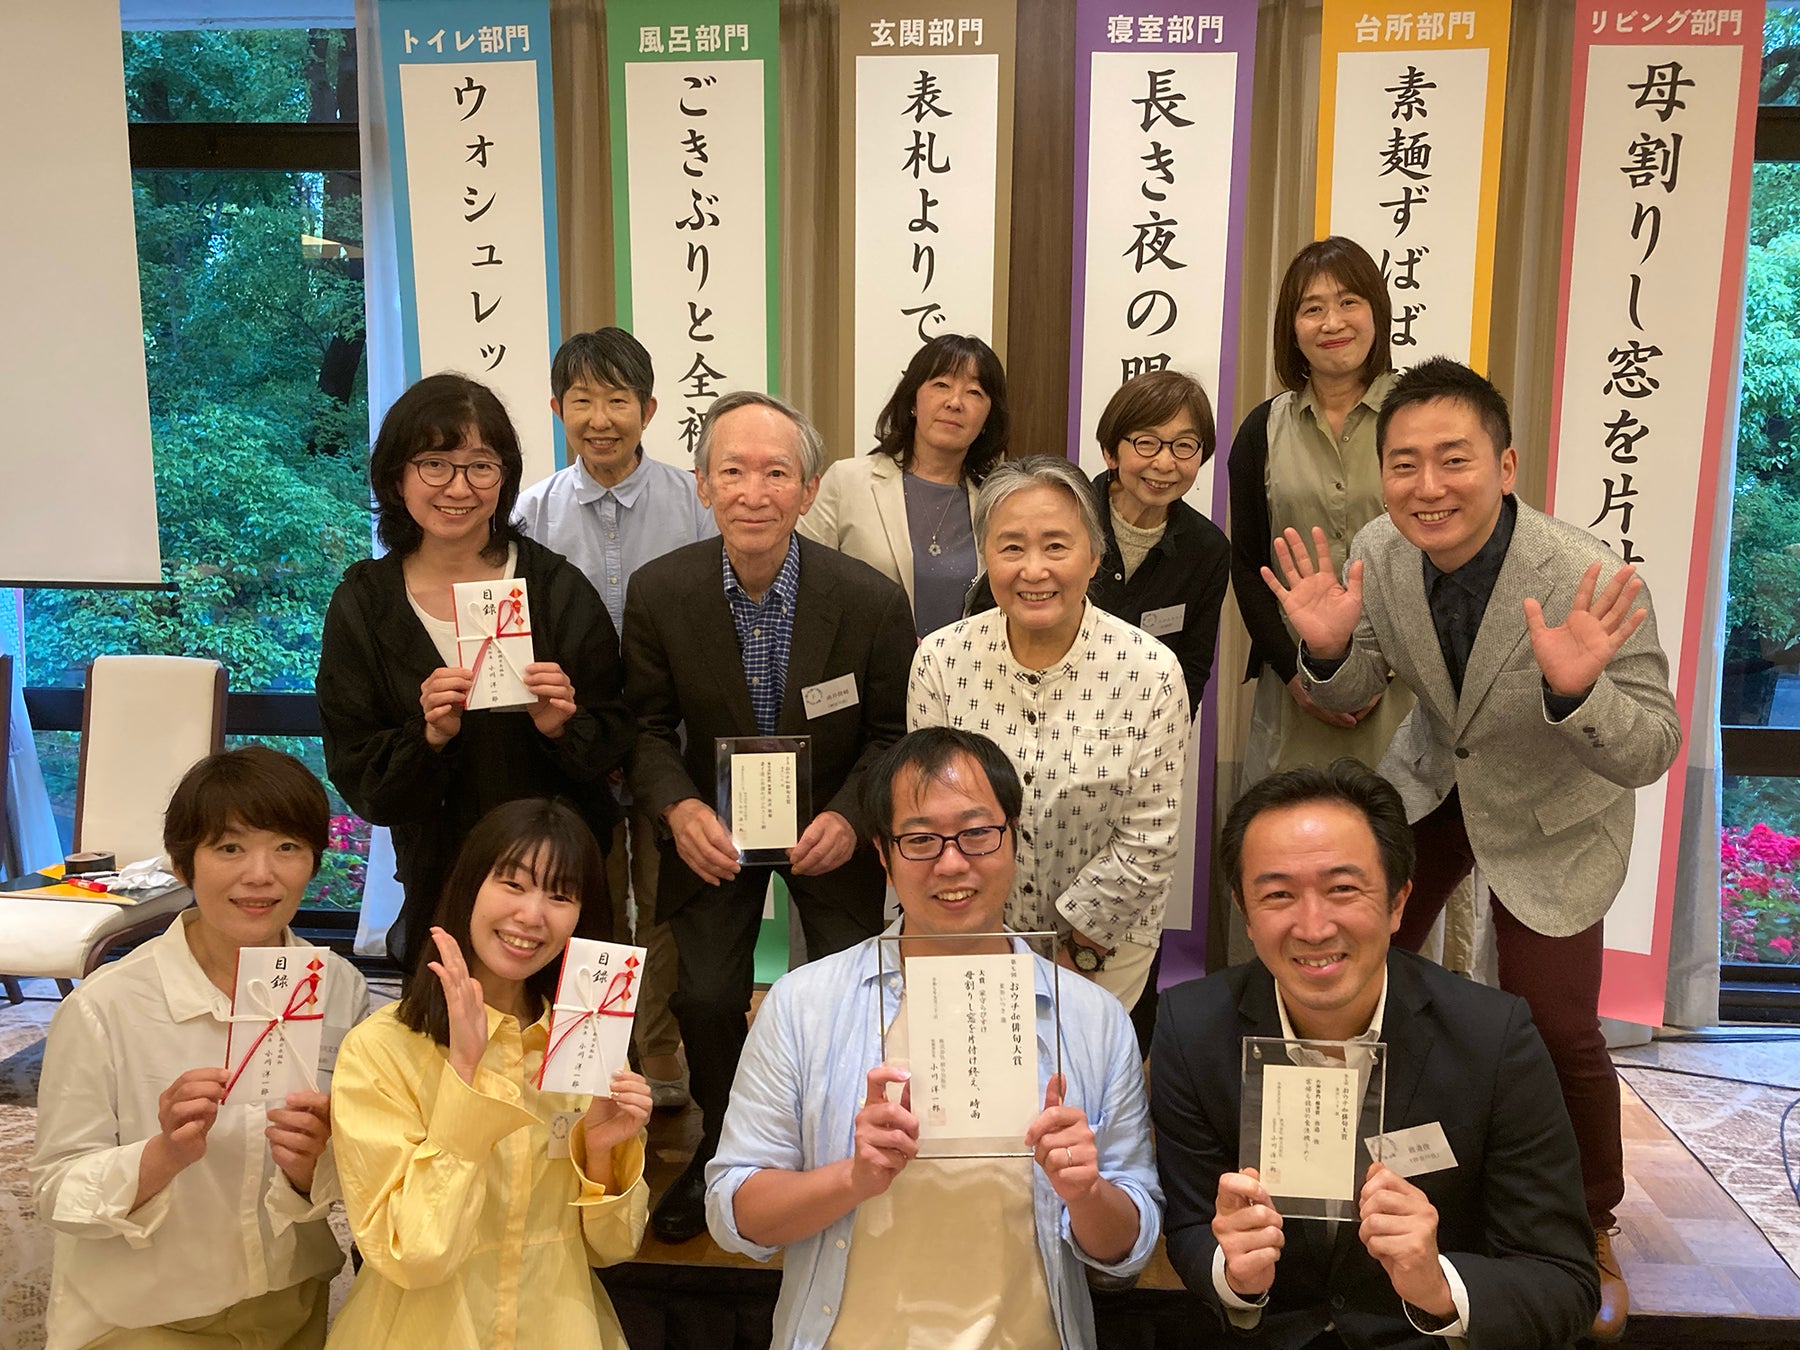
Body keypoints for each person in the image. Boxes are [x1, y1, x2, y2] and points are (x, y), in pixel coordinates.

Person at [1262, 357, 1681, 1341]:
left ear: (1505, 465)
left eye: (1454, 459)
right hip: (1436, 783)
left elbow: (1653, 745)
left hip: (1554, 808)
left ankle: (1588, 1222)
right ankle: (1339, 1177)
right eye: (1404, 463)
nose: (1428, 486)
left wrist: (1578, 691)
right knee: (1341, 978)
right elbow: (1353, 686)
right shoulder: (1380, 548)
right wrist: (1327, 651)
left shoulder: (1584, 573)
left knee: (1559, 1024)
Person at [706, 727, 1161, 1349]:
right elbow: (732, 1213)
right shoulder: (802, 1004)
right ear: (883, 854)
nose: (952, 863)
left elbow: (1129, 1246)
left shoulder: (1093, 1019)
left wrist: (1086, 1194)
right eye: (920, 839)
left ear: (1013, 838)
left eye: (977, 833)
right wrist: (852, 1178)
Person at [1151, 760, 1600, 1349]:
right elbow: (1190, 1224)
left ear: (1397, 902)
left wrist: (1438, 1284)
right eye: (1278, 894)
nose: (1313, 927)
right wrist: (1235, 1276)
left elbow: (1564, 1281)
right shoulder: (1191, 1028)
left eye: (1342, 889)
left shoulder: (1492, 1037)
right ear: (1246, 912)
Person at [622, 389, 916, 1244]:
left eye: (777, 473)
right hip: (715, 830)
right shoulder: (661, 591)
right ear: (703, 484)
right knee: (708, 998)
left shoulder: (868, 600)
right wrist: (678, 807)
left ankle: (837, 1151)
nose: (755, 493)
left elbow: (893, 733)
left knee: (856, 994)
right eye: (734, 472)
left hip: (830, 826)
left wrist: (853, 816)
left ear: (809, 488)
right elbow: (643, 728)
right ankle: (725, 1149)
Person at [30, 746, 369, 1350]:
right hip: (145, 1317)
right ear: (184, 864)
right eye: (230, 848)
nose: (260, 874)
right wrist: (162, 1154)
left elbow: (363, 1160)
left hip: (291, 1302)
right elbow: (56, 1190)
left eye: (287, 846)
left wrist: (309, 1169)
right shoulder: (106, 1007)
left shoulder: (338, 988)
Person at [317, 372, 636, 970]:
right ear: (397, 477)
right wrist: (428, 736)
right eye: (434, 464)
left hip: (559, 881)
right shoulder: (365, 603)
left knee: (563, 1028)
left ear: (505, 478)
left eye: (481, 466)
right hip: (439, 875)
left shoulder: (555, 588)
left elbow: (617, 739)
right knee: (446, 1024)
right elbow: (362, 776)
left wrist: (561, 726)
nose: (458, 487)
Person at [326, 798, 650, 1350]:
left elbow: (611, 1248)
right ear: (469, 886)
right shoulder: (380, 1050)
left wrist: (600, 1151)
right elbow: (414, 1253)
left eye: (560, 895)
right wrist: (464, 1073)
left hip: (558, 1330)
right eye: (513, 884)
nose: (532, 915)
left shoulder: (590, 1048)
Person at [514, 327, 717, 1110]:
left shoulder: (693, 502)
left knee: (665, 903)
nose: (600, 419)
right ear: (558, 409)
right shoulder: (531, 513)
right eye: (583, 401)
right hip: (572, 746)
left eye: (618, 400)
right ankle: (591, 1059)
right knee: (586, 898)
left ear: (649, 410)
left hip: (674, 743)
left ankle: (659, 1052)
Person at [908, 456, 1190, 1014]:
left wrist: (1077, 953)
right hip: (967, 933)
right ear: (985, 556)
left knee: (1076, 1065)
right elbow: (929, 821)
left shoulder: (1150, 671)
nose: (1033, 570)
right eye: (1011, 547)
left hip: (1105, 942)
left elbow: (1148, 838)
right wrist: (983, 946)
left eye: (1056, 546)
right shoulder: (941, 661)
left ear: (1094, 556)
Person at [1228, 237, 1412, 783]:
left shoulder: (1421, 415)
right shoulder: (1262, 429)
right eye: (1312, 308)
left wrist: (1382, 673)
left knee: (1401, 826)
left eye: (1349, 301)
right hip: (1296, 688)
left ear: (1377, 312)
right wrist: (1296, 677)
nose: (1333, 322)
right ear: (1292, 327)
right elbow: (1248, 565)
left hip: (1407, 687)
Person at [967, 369, 1231, 717]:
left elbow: (1191, 670)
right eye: (1146, 443)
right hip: (1022, 709)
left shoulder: (1208, 549)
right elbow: (991, 621)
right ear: (1110, 452)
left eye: (1184, 446)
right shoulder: (1062, 519)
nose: (1165, 463)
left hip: (1135, 727)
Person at [799, 333, 1009, 637]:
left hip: (963, 664)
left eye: (974, 392)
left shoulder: (996, 501)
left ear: (989, 417)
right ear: (912, 401)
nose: (954, 402)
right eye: (941, 385)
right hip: (866, 663)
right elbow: (805, 585)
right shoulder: (847, 482)